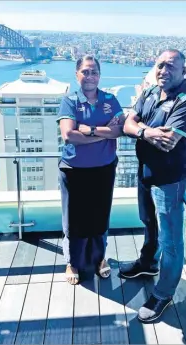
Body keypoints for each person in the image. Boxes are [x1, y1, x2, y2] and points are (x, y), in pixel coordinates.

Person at [122, 49, 186, 322]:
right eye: (160, 65)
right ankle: (147, 263)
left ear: (183, 72)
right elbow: (128, 123)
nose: (164, 71)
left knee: (170, 239)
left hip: (169, 179)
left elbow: (169, 141)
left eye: (171, 66)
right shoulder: (151, 93)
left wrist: (142, 129)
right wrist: (147, 132)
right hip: (146, 171)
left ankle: (164, 292)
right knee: (148, 222)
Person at [57, 55, 125, 285]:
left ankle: (99, 259)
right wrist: (103, 131)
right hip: (74, 170)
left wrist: (89, 130)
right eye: (85, 71)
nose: (90, 76)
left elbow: (119, 131)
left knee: (99, 217)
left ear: (99, 75)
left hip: (104, 169)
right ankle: (72, 261)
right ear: (77, 74)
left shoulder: (110, 99)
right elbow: (68, 135)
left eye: (94, 71)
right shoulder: (69, 101)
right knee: (74, 219)